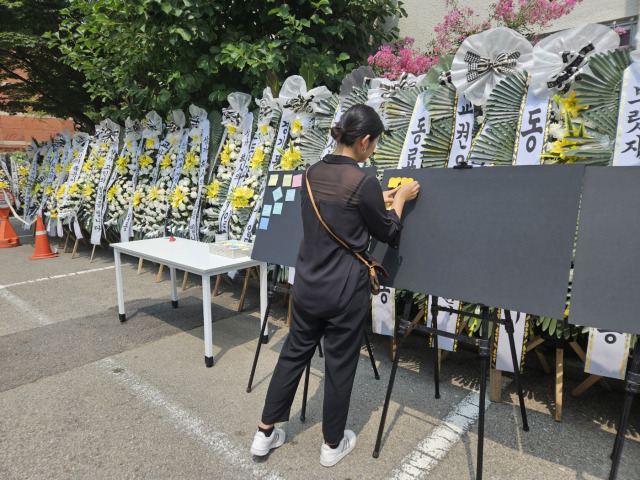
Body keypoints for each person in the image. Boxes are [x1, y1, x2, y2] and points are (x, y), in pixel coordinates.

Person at [250, 103, 420, 467]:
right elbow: (387, 232)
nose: (372, 150)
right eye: (373, 145)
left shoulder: (312, 172)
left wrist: (380, 201)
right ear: (364, 141)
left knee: (293, 354)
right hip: (345, 289)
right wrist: (400, 199)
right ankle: (331, 444)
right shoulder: (364, 181)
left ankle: (264, 434)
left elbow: (336, 213)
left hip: (308, 283)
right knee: (340, 364)